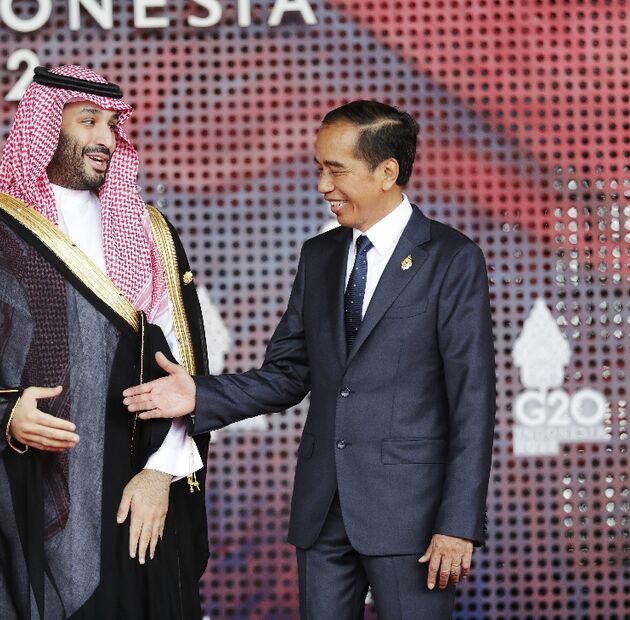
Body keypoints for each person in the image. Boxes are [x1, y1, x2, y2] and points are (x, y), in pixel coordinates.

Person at [124, 100, 496, 619]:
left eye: (335, 170)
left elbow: (472, 402)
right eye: (318, 168)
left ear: (387, 172)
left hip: (411, 515)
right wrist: (198, 394)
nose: (322, 184)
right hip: (322, 513)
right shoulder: (319, 256)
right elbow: (288, 374)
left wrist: (457, 523)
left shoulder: (452, 258)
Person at [0, 64, 211, 619]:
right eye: (88, 120)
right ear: (46, 126)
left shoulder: (149, 230)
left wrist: (162, 471)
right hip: (24, 479)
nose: (105, 138)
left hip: (131, 480)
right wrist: (4, 411)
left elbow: (184, 369)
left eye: (112, 125)